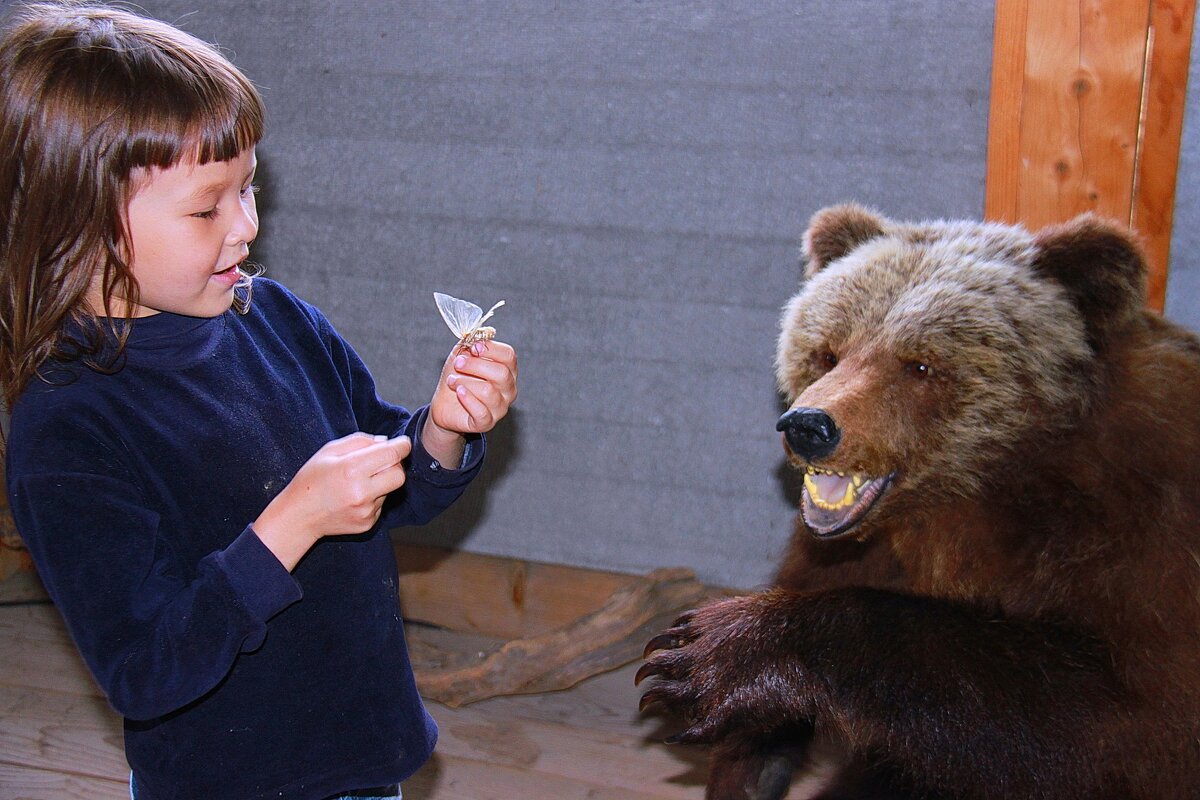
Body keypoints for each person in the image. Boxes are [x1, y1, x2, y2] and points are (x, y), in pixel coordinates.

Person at [0, 4, 518, 799]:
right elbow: (144, 669)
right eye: (208, 207)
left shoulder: (274, 318)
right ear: (79, 221)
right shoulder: (68, 428)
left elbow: (387, 481)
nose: (246, 227)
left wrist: (443, 430)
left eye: (249, 189)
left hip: (363, 752)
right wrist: (290, 523)